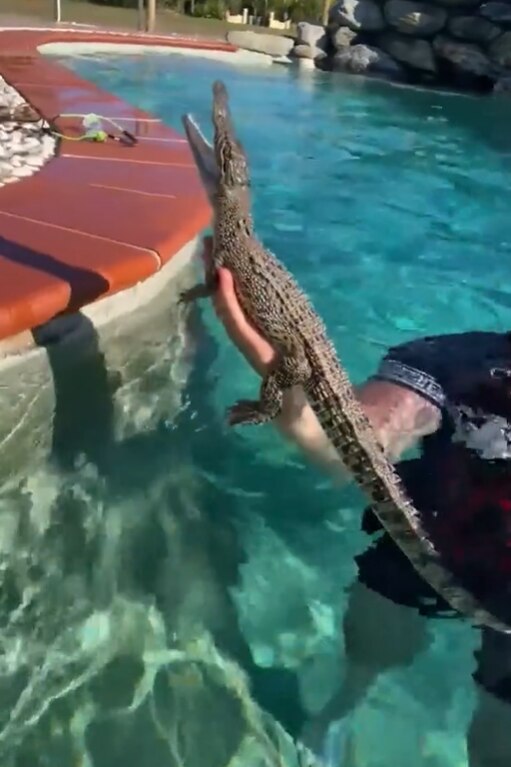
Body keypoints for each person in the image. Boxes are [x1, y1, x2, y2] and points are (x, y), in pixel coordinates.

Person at [202, 234, 511, 767]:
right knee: (374, 641)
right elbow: (358, 442)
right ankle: (345, 705)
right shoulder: (457, 365)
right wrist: (301, 411)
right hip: (426, 544)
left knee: (498, 736)